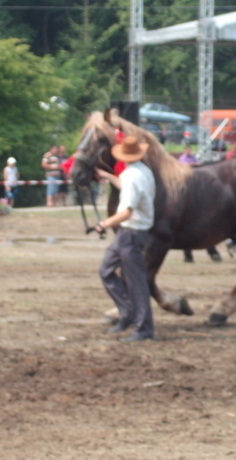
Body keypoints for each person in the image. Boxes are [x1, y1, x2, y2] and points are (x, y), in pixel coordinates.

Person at [94, 135, 156, 342]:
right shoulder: (143, 171)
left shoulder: (131, 175)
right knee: (106, 270)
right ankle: (128, 313)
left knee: (135, 281)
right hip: (132, 233)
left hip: (131, 232)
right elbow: (129, 189)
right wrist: (107, 176)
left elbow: (127, 211)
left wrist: (104, 223)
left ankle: (144, 328)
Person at [177, 146, 224, 263]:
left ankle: (200, 253)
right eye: (187, 149)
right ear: (184, 150)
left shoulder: (192, 158)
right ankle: (193, 254)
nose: (189, 151)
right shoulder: (182, 159)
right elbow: (184, 168)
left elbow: (198, 165)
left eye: (190, 149)